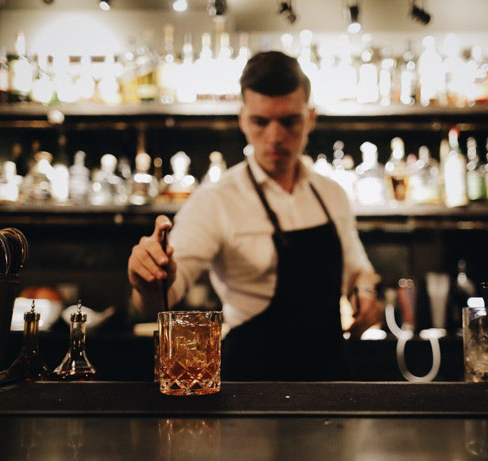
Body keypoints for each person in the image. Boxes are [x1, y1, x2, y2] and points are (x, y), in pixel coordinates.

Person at [128, 51, 382, 380]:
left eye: (289, 121)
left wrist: (365, 293)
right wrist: (147, 279)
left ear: (310, 118)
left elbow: (358, 270)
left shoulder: (331, 193)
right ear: (243, 119)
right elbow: (160, 301)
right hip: (252, 391)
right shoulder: (216, 201)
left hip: (331, 382)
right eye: (261, 122)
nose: (275, 137)